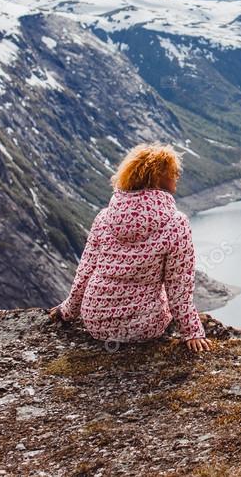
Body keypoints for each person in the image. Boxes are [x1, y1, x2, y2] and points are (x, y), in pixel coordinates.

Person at [49, 143, 213, 354]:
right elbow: (178, 285)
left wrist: (67, 311)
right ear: (158, 178)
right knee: (161, 291)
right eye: (174, 172)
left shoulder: (104, 217)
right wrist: (192, 331)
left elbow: (86, 271)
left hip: (95, 321)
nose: (177, 176)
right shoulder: (175, 223)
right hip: (142, 326)